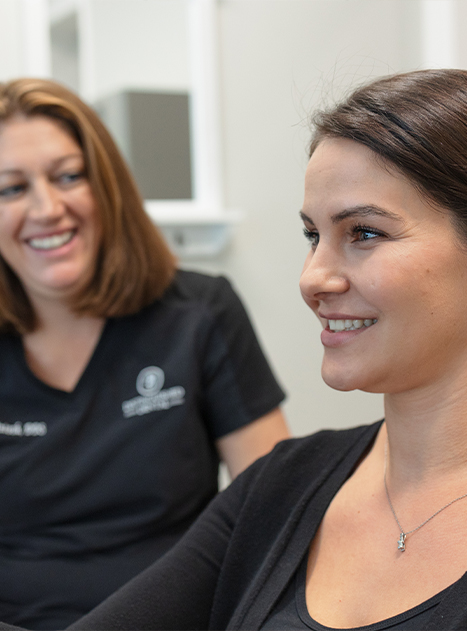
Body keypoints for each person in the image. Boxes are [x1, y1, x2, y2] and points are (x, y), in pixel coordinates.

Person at [30, 67, 467, 631]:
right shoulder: (283, 485)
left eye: (364, 232)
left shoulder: (196, 314)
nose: (314, 277)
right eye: (313, 235)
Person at [0, 78, 289, 630]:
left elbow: (277, 509)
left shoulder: (201, 313)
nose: (47, 208)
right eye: (11, 189)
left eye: (68, 176)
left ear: (106, 186)